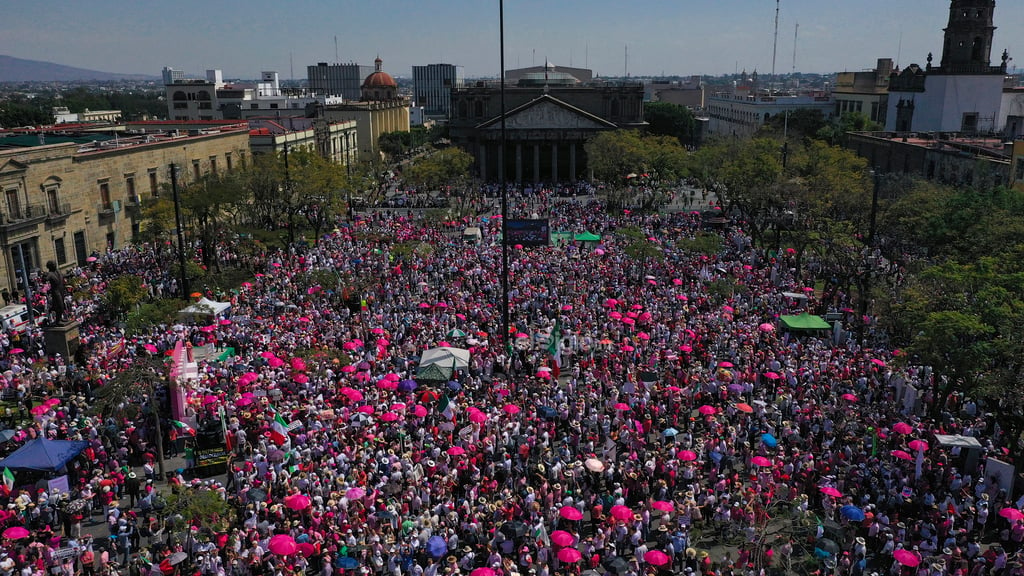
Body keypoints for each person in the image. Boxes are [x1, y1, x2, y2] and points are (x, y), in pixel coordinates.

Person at [44, 260, 67, 325]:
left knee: (62, 304)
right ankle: (57, 321)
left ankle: (59, 318)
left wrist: (69, 274)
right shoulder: (50, 274)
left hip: (61, 289)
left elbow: (63, 275)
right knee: (60, 306)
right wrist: (44, 276)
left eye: (55, 264)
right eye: (53, 264)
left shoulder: (58, 271)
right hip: (56, 291)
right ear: (50, 266)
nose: (55, 265)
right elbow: (46, 279)